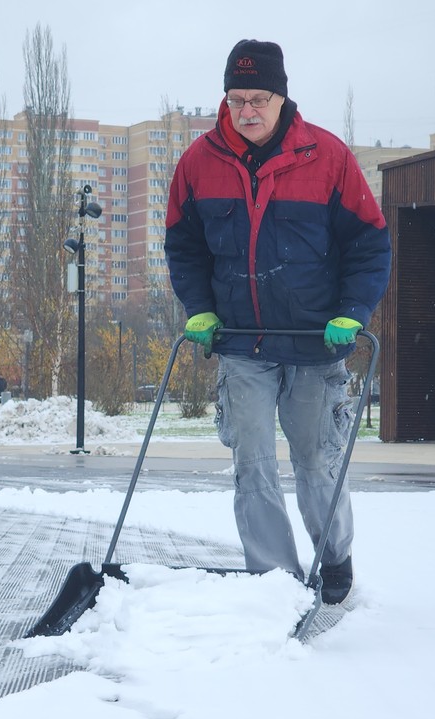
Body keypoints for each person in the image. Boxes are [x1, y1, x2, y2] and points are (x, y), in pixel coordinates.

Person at [164, 39, 391, 604]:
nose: (246, 110)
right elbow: (183, 246)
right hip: (242, 344)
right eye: (236, 98)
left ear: (281, 96)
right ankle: (274, 581)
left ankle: (334, 557)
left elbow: (369, 244)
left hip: (316, 342)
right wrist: (200, 309)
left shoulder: (328, 158)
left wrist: (352, 312)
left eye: (258, 98)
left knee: (316, 463)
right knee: (253, 465)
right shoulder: (199, 161)